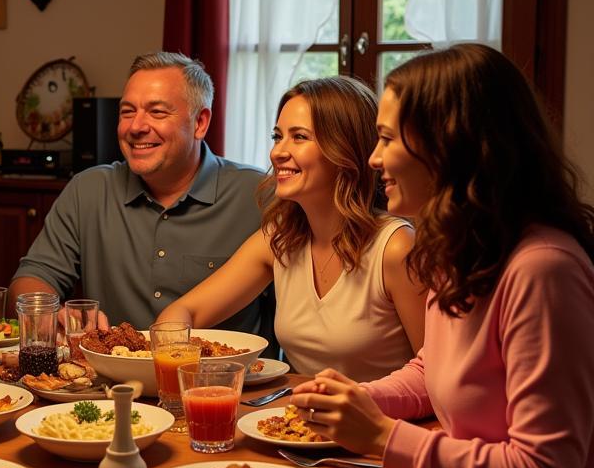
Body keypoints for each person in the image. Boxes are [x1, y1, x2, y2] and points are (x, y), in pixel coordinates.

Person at [288, 44, 594, 468]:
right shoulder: (462, 248)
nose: (373, 160)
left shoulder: (543, 269)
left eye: (386, 138)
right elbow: (434, 368)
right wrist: (357, 399)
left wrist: (381, 438)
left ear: (446, 145)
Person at [157, 76, 424, 381]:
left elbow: (433, 377)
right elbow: (181, 314)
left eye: (299, 137)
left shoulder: (396, 248)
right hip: (293, 422)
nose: (278, 152)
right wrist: (175, 366)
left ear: (345, 149)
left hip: (381, 424)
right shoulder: (280, 240)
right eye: (277, 136)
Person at [9, 51, 274, 338]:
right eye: (127, 112)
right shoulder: (88, 190)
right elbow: (30, 280)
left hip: (226, 379)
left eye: (157, 112)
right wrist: (51, 314)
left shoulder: (260, 195)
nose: (136, 127)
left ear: (200, 123)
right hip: (113, 380)